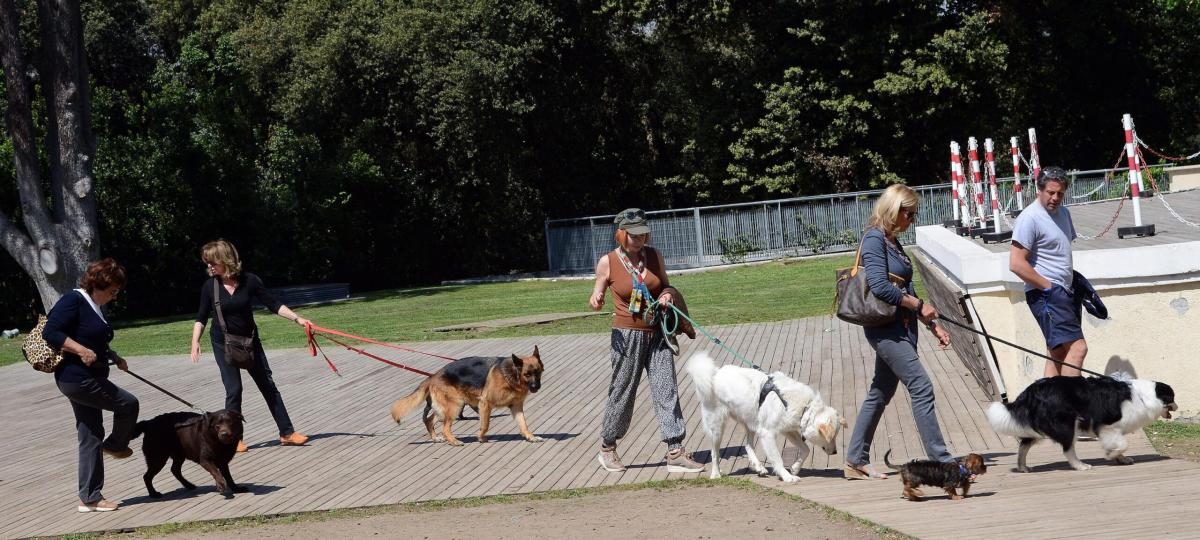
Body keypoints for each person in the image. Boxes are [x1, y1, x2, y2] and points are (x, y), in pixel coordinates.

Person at [844, 184, 954, 480]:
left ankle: (855, 460)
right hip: (885, 330)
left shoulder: (892, 241)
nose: (913, 219)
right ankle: (943, 463)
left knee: (880, 391)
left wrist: (934, 325)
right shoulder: (874, 240)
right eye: (910, 213)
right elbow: (879, 286)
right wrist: (919, 305)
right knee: (921, 386)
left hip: (903, 327)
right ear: (895, 210)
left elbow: (906, 286)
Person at [587, 208, 703, 473]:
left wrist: (667, 295)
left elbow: (665, 284)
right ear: (621, 234)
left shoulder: (654, 256)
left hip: (658, 331)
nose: (640, 240)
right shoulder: (609, 261)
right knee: (623, 391)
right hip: (627, 335)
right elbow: (598, 288)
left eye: (643, 234)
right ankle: (607, 448)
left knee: (666, 388)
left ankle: (674, 450)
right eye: (634, 235)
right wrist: (597, 298)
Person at [190, 239, 311, 452]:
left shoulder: (250, 281)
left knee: (268, 386)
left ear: (224, 260)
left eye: (212, 262)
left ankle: (287, 433)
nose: (209, 266)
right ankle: (233, 440)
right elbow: (201, 317)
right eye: (207, 262)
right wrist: (195, 342)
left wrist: (298, 319)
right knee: (234, 389)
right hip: (223, 343)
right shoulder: (210, 286)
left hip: (249, 342)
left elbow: (273, 304)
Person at [44, 258, 139, 512]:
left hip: (90, 377)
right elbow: (50, 333)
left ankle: (89, 498)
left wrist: (114, 357)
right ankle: (116, 445)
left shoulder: (93, 305)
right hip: (76, 378)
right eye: (113, 290)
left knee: (90, 433)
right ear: (99, 283)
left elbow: (93, 338)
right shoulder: (73, 300)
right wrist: (79, 350)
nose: (114, 296)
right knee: (129, 404)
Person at [1009, 167, 1088, 377]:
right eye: (1050, 192)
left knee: (1058, 352)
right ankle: (1071, 407)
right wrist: (1050, 287)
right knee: (1077, 349)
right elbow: (1016, 263)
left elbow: (1060, 253)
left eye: (1060, 193)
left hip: (1065, 291)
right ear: (1039, 191)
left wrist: (1072, 283)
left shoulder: (1064, 213)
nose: (1055, 198)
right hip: (1046, 294)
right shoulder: (1030, 218)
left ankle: (1048, 409)